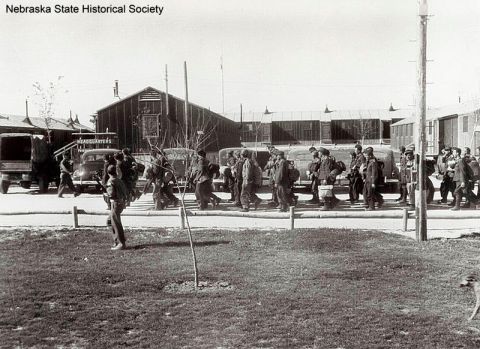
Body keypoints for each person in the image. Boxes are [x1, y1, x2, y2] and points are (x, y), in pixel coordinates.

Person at [106, 164, 128, 250]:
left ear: (108, 172)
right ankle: (116, 240)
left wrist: (106, 194)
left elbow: (111, 194)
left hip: (115, 203)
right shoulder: (119, 180)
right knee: (109, 221)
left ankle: (121, 243)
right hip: (120, 203)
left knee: (116, 223)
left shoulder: (110, 181)